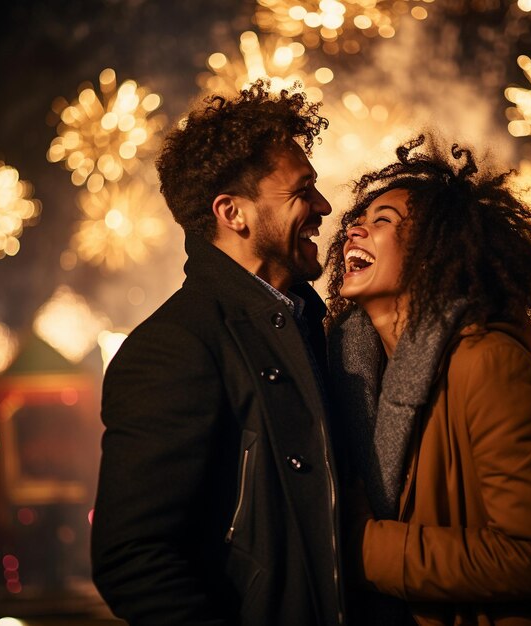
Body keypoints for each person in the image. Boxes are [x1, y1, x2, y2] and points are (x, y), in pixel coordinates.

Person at [90, 80, 346, 626]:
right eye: (303, 191)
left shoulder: (316, 328)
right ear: (234, 213)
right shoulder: (173, 347)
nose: (324, 206)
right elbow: (133, 560)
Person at [324, 133, 531, 625]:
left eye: (381, 221)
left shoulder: (488, 364)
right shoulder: (352, 378)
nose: (352, 231)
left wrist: (361, 547)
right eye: (356, 222)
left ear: (433, 252)